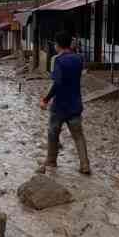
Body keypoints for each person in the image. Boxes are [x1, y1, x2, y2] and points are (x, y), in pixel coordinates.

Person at [40, 31, 91, 175]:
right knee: (78, 135)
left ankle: (51, 161)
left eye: (55, 44)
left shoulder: (58, 60)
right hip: (75, 104)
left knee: (53, 133)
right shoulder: (79, 59)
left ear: (57, 45)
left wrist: (45, 99)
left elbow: (57, 83)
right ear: (70, 44)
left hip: (60, 105)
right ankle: (85, 164)